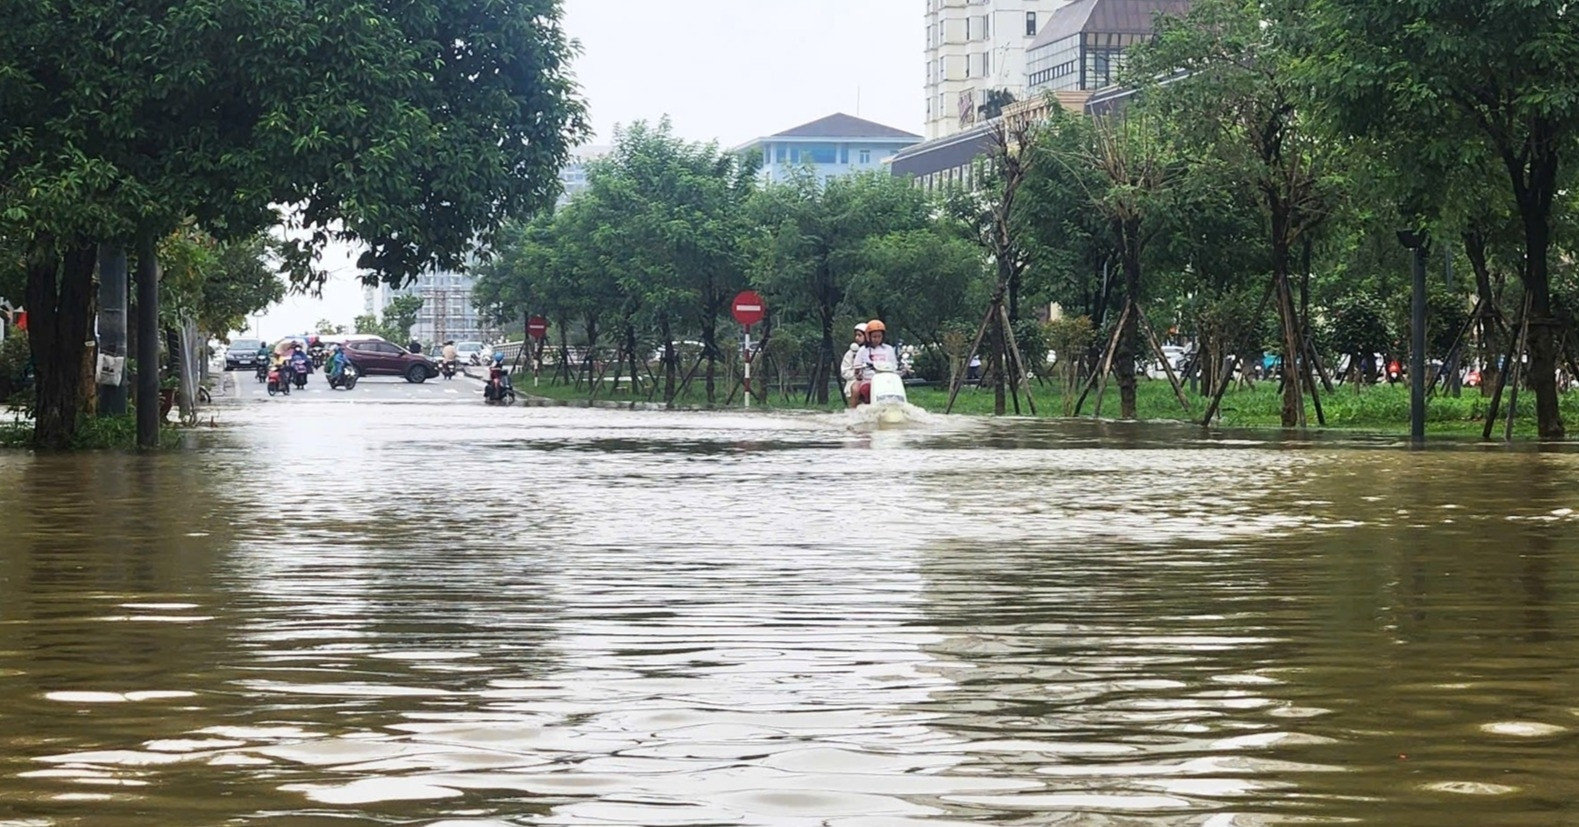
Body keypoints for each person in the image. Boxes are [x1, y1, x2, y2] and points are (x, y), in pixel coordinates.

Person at [849, 319, 899, 408]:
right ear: (868, 336)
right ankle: (853, 411)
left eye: (879, 336)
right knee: (861, 389)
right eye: (874, 336)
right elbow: (857, 367)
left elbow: (894, 365)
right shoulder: (863, 350)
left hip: (886, 380)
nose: (877, 339)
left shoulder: (889, 349)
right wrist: (858, 372)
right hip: (868, 380)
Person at [839, 323, 868, 402]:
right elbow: (845, 371)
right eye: (856, 335)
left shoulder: (874, 351)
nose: (857, 338)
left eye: (860, 335)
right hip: (855, 382)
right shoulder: (851, 353)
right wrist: (856, 374)